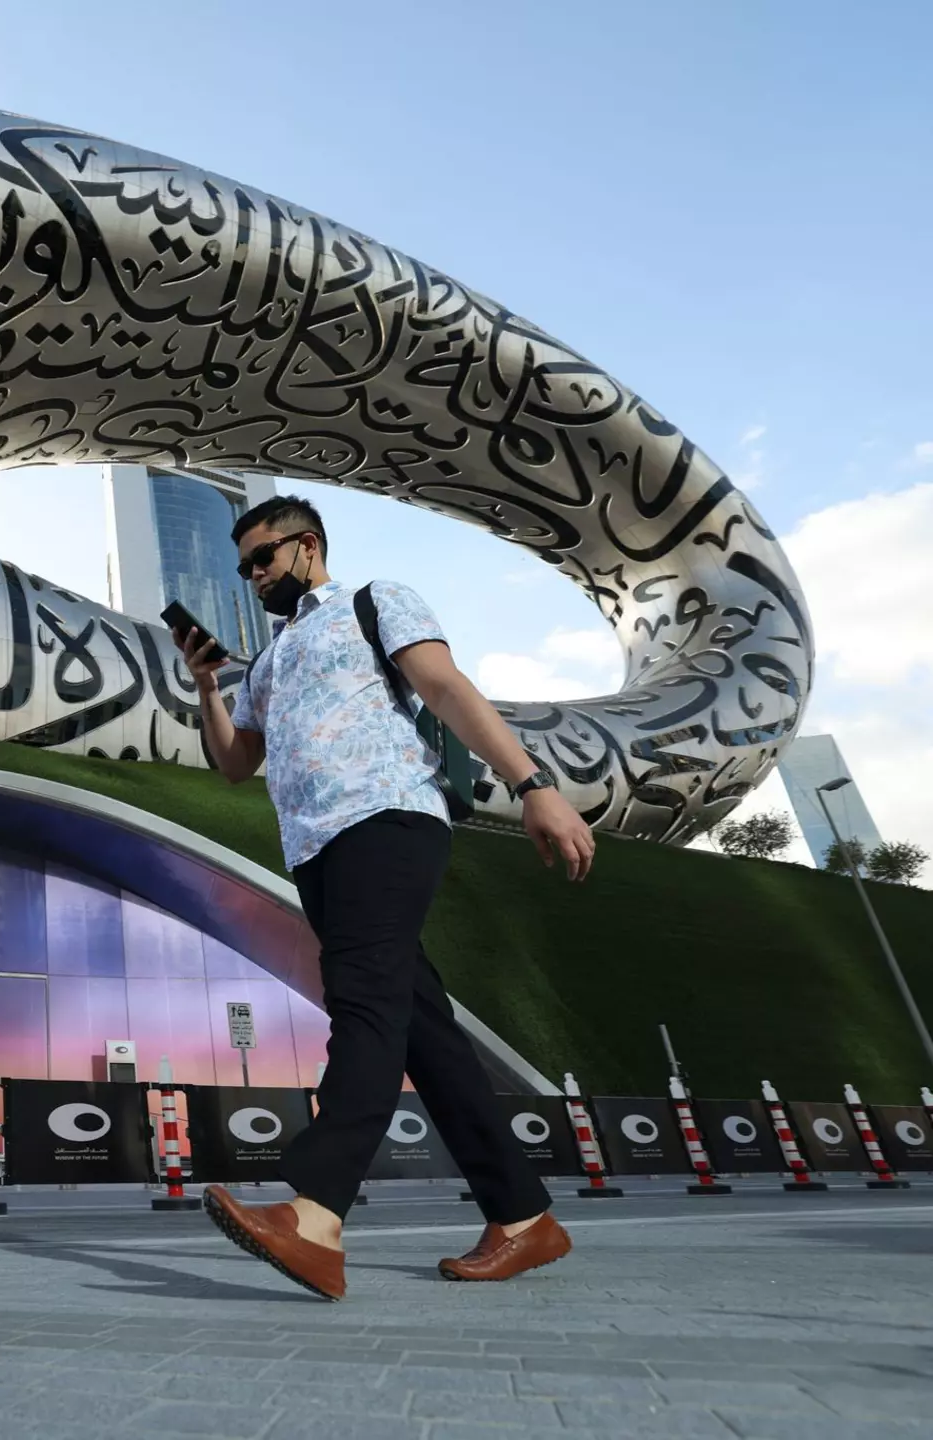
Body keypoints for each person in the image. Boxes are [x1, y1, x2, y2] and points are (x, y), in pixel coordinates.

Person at [173, 494, 597, 1302]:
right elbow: (234, 765)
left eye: (262, 558)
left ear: (305, 548)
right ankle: (522, 1217)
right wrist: (207, 689)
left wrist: (533, 784)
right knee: (420, 1029)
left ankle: (315, 1212)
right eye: (243, 568)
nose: (252, 577)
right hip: (314, 846)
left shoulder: (375, 602)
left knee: (364, 1002)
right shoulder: (266, 661)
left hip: (388, 816)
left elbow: (440, 687)